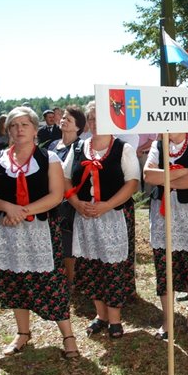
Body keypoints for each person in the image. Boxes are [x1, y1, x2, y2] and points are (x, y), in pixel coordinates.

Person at [0, 106, 79, 358]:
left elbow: (56, 195)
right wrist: (7, 207)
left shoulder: (48, 158)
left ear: (35, 129)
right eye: (13, 125)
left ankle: (68, 336)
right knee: (15, 282)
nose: (19, 129)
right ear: (8, 130)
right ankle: (23, 334)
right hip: (7, 233)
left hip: (40, 231)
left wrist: (21, 211)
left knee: (50, 282)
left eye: (24, 124)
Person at [62, 103, 140, 339]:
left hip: (114, 215)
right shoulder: (78, 148)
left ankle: (115, 320)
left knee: (113, 267)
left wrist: (107, 204)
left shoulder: (122, 148)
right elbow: (65, 179)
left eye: (100, 118)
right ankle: (101, 315)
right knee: (91, 265)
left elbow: (132, 182)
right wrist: (76, 203)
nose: (95, 123)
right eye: (92, 119)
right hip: (86, 217)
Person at [144, 132, 188, 338]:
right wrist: (180, 171)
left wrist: (164, 177)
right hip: (162, 216)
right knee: (165, 269)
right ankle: (168, 321)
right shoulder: (158, 145)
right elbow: (148, 176)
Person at [48, 105, 87, 284]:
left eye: (68, 119)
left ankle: (70, 281)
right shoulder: (52, 145)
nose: (63, 120)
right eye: (63, 117)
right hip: (50, 200)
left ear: (78, 127)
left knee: (68, 241)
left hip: (68, 201)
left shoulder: (80, 147)